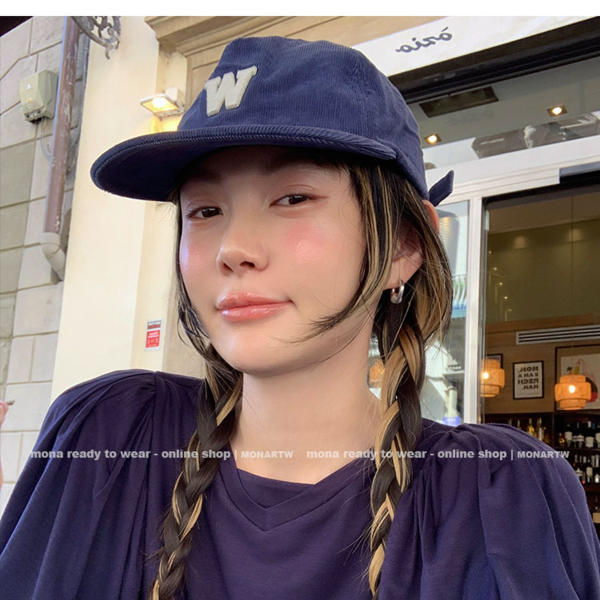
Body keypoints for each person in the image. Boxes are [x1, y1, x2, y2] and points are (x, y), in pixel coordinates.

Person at [0, 36, 599, 600]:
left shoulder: (503, 495)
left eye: (292, 198)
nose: (232, 248)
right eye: (204, 210)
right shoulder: (107, 439)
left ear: (404, 245)